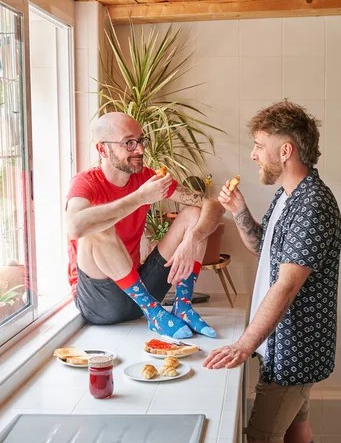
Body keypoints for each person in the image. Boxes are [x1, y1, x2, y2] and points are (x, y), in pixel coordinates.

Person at [204, 99, 341, 443]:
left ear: (286, 150)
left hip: (295, 344)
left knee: (262, 438)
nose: (253, 154)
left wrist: (244, 344)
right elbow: (262, 247)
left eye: (260, 145)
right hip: (287, 343)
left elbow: (284, 287)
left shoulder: (311, 205)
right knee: (295, 426)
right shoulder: (289, 196)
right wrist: (240, 209)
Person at [66, 112, 224, 339]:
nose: (140, 150)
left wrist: (193, 238)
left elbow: (213, 206)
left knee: (194, 213)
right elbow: (74, 227)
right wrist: (140, 197)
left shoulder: (147, 178)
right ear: (102, 150)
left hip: (139, 292)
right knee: (97, 227)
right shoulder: (85, 182)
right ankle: (153, 313)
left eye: (141, 141)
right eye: (129, 143)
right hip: (102, 302)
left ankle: (183, 307)